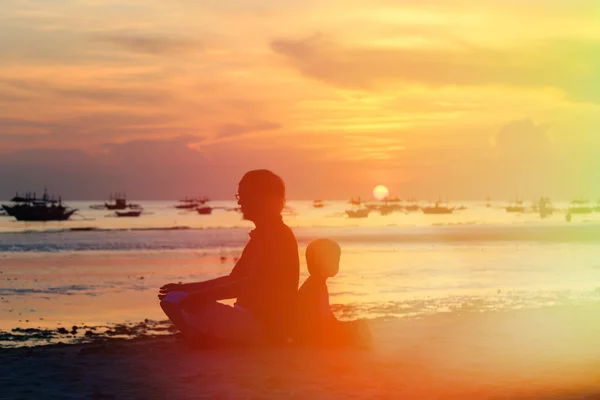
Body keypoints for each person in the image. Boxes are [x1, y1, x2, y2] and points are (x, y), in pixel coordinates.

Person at [158, 170, 299, 347]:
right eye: (239, 195)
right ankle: (201, 339)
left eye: (244, 195)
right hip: (248, 317)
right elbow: (234, 279)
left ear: (264, 198)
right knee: (173, 298)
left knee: (178, 301)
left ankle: (202, 340)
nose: (240, 202)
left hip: (265, 325)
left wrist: (202, 296)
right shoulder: (262, 235)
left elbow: (253, 283)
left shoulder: (277, 235)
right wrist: (187, 288)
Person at [294, 238, 372, 348]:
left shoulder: (315, 284)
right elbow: (322, 322)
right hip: (313, 336)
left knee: (357, 327)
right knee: (359, 328)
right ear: (320, 260)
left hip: (313, 333)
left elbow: (324, 317)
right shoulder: (316, 287)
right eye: (334, 258)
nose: (336, 263)